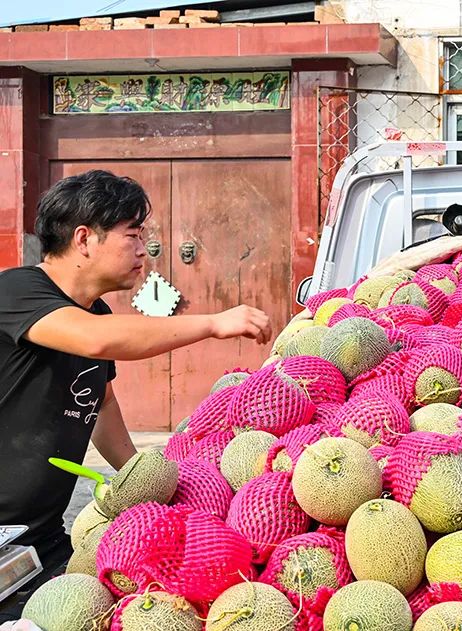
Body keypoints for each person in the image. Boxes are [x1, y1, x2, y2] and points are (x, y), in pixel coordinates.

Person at [0, 170, 272, 579]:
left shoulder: (97, 311)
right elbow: (95, 341)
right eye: (132, 236)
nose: (144, 251)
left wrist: (141, 480)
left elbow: (100, 402)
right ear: (84, 239)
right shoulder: (16, 290)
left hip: (41, 535)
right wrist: (213, 323)